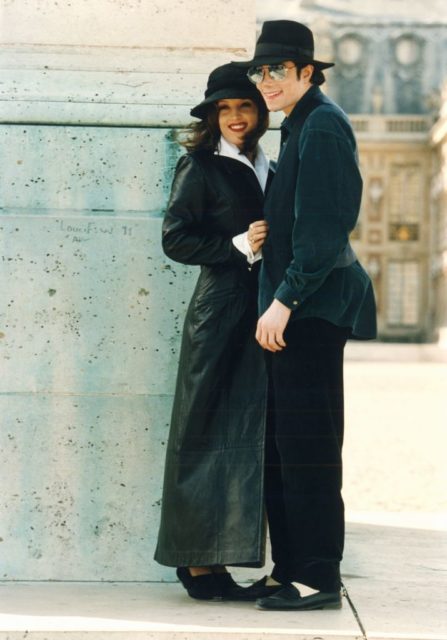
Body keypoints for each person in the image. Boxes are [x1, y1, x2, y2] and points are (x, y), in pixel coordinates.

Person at [233, 20, 377, 611]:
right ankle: (290, 566)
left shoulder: (321, 126)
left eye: (279, 70)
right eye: (259, 71)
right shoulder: (300, 125)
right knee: (284, 447)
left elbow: (326, 228)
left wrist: (284, 301)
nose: (266, 80)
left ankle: (317, 577)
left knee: (309, 446)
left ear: (307, 73)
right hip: (299, 306)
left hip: (310, 310)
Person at [154, 63, 272, 601]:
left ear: (260, 112)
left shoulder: (272, 163)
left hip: (263, 314)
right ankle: (196, 567)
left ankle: (219, 564)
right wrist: (236, 246)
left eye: (244, 106)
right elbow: (175, 240)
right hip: (219, 312)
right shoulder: (198, 166)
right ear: (211, 117)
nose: (235, 117)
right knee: (202, 433)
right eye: (224, 109)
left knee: (243, 438)